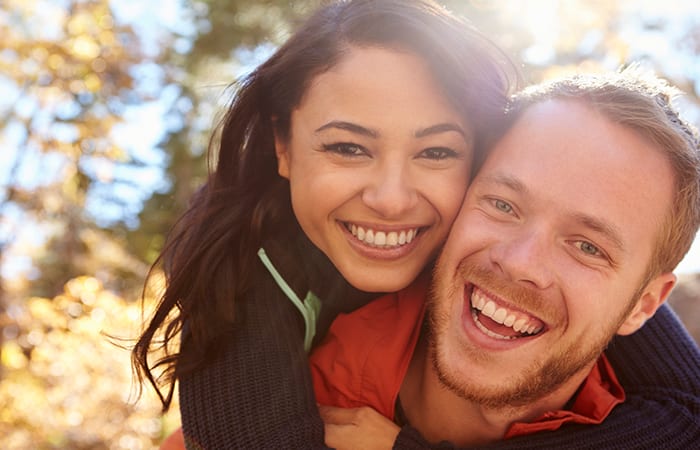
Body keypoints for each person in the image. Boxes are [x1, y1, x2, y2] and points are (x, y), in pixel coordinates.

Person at [132, 1, 700, 448]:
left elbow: (687, 411)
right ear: (283, 146)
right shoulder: (242, 263)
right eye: (348, 146)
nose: (391, 200)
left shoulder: (507, 247)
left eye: (435, 153)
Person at [311, 68, 700, 449]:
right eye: (502, 205)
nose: (519, 263)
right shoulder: (307, 390)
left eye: (588, 247)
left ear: (643, 305)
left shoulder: (666, 425)